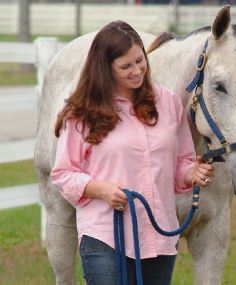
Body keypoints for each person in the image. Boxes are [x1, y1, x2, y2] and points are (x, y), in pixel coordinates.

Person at [51, 20, 214, 285]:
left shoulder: (168, 103)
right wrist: (99, 189)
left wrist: (192, 172)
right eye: (126, 66)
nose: (137, 71)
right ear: (105, 69)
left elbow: (181, 164)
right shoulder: (83, 114)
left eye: (140, 61)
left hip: (158, 234)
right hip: (104, 233)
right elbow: (63, 173)